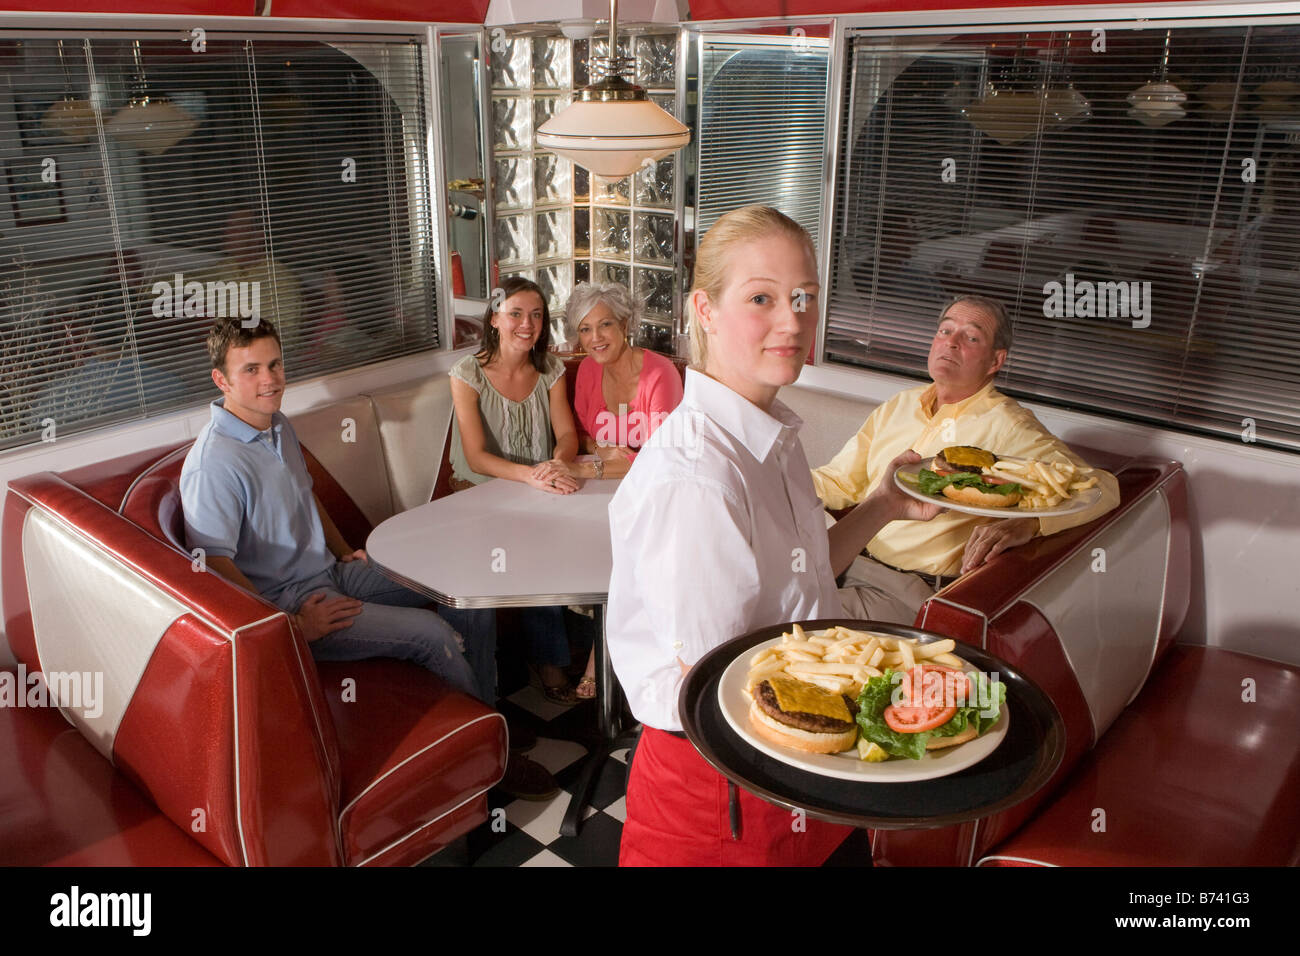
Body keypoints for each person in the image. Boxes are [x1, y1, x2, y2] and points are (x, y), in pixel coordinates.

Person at [606, 205, 941, 866]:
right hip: (721, 792)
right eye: (762, 297)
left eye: (804, 297)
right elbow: (728, 681)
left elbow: (803, 580)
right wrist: (888, 708)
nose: (792, 320)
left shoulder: (773, 433)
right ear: (705, 309)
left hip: (799, 761)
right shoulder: (696, 476)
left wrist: (881, 507)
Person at [182, 316, 557, 799]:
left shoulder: (276, 424)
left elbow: (307, 495)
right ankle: (491, 761)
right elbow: (212, 565)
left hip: (334, 572)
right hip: (296, 607)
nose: (270, 379)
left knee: (467, 586)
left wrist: (345, 552)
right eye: (251, 370)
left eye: (274, 364)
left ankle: (485, 720)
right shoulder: (214, 461)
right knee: (434, 634)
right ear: (221, 380)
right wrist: (292, 627)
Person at [811, 294, 1121, 624]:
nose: (952, 343)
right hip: (845, 559)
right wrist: (763, 489)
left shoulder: (1009, 426)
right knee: (757, 594)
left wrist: (1030, 523)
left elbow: (1103, 487)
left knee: (779, 620)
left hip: (904, 588)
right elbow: (841, 481)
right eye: (945, 331)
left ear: (994, 361)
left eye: (971, 337)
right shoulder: (901, 404)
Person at [448, 276, 581, 703]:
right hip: (478, 493)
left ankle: (562, 658)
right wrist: (531, 476)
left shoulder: (550, 370)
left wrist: (557, 462)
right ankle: (512, 678)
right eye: (516, 314)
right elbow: (475, 457)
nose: (528, 324)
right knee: (516, 558)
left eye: (537, 315)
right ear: (494, 319)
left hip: (536, 489)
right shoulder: (466, 373)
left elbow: (566, 434)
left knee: (568, 545)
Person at [566, 280, 684, 699]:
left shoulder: (659, 373)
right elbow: (584, 437)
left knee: (626, 549)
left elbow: (663, 455)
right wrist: (601, 454)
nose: (595, 338)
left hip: (657, 494)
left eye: (605, 325)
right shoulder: (584, 372)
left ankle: (603, 661)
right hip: (602, 491)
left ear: (626, 324)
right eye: (584, 329)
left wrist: (602, 463)